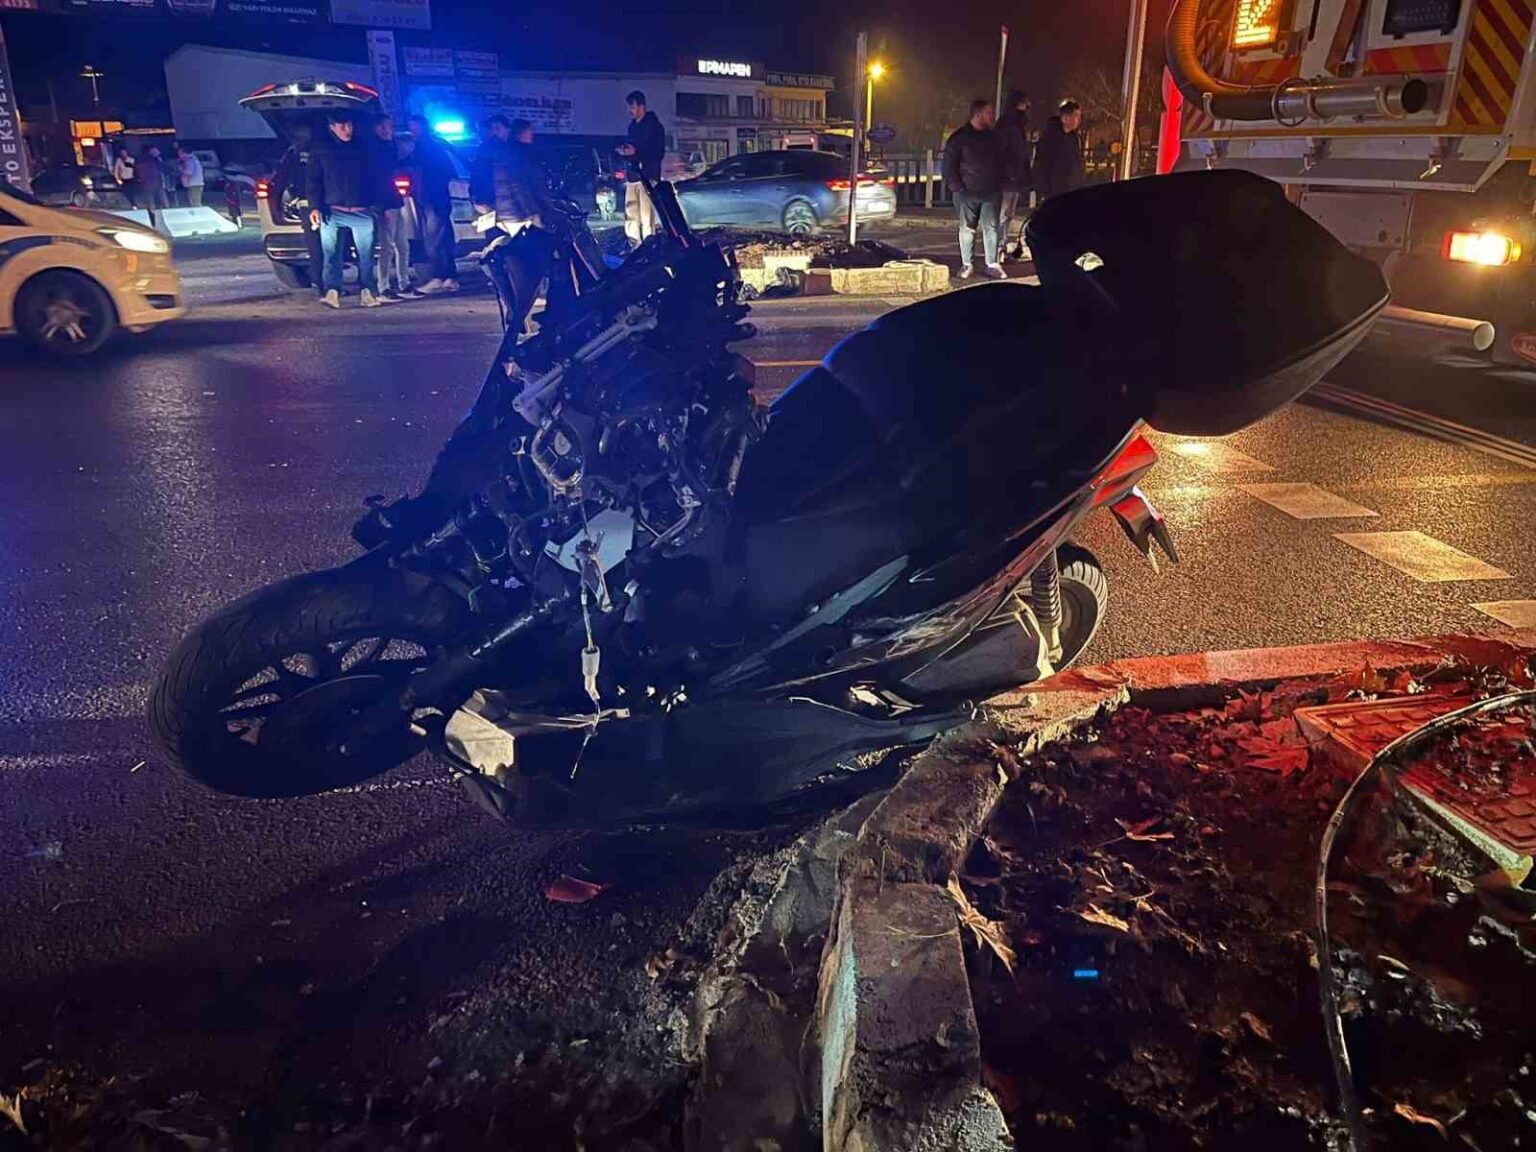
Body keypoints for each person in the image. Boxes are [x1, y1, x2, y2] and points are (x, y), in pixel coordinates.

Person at [306, 112, 385, 309]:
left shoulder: (364, 148)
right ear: (332, 127)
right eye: (342, 126)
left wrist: (376, 207)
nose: (347, 130)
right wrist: (315, 207)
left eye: (349, 125)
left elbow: (377, 177)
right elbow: (313, 181)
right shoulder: (322, 150)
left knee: (366, 256)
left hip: (362, 210)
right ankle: (332, 291)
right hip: (333, 211)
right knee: (331, 254)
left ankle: (368, 291)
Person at [942, 98, 1006, 280]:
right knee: (967, 229)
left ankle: (992, 264)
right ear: (978, 115)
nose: (992, 116)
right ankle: (967, 264)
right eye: (988, 113)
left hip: (990, 191)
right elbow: (949, 165)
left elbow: (1001, 161)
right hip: (967, 192)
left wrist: (1000, 183)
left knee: (991, 228)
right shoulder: (960, 138)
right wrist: (957, 187)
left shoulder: (993, 137)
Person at [408, 113, 460, 294]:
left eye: (414, 128)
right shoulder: (429, 146)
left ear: (422, 128)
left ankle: (438, 277)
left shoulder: (427, 148)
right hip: (433, 199)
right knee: (443, 240)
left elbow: (441, 173)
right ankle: (449, 278)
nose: (412, 132)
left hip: (434, 199)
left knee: (433, 241)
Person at [471, 114, 548, 235]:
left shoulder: (514, 150)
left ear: (507, 129)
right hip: (511, 214)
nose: (495, 132)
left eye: (498, 128)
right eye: (492, 129)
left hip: (518, 211)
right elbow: (480, 180)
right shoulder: (495, 152)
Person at [371, 118, 416, 299]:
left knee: (402, 246)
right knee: (387, 247)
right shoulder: (375, 151)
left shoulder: (391, 147)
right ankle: (383, 286)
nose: (387, 130)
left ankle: (404, 283)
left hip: (395, 202)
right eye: (383, 126)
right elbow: (379, 180)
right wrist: (382, 207)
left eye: (389, 126)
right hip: (384, 204)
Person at [616, 89, 665, 246]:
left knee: (646, 214)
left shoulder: (655, 127)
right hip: (632, 176)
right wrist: (625, 152)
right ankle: (634, 245)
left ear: (641, 106)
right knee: (631, 212)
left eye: (632, 106)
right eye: (629, 107)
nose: (630, 111)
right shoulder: (632, 127)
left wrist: (636, 151)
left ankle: (649, 246)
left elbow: (658, 152)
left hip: (647, 176)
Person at [995, 89, 1033, 260]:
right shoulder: (1009, 124)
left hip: (1015, 177)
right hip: (1007, 178)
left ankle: (1001, 247)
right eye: (1024, 104)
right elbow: (1002, 151)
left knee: (1008, 215)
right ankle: (997, 249)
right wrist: (1010, 171)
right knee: (1002, 215)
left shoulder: (1017, 125)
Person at [1033, 99, 1085, 203]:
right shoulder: (1050, 138)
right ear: (1065, 118)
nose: (1078, 120)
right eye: (1076, 116)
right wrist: (1044, 190)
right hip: (1054, 191)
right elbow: (1041, 165)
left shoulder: (1075, 139)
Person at [136, 147, 170, 213]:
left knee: (150, 201)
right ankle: (167, 212)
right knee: (163, 199)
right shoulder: (155, 161)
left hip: (146, 184)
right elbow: (163, 169)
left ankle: (153, 214)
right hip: (157, 183)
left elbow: (137, 173)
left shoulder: (140, 162)